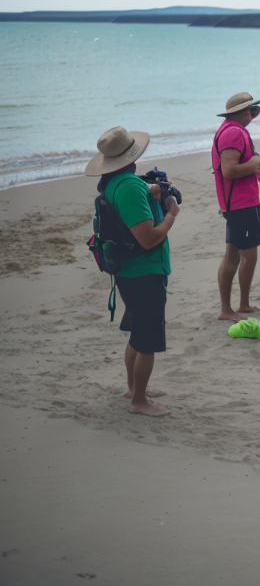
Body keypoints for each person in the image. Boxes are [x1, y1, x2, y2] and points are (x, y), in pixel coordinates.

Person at [86, 127, 178, 417]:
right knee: (147, 339)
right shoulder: (129, 186)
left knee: (137, 334)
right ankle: (139, 401)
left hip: (128, 272)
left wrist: (148, 190)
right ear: (132, 157)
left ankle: (132, 387)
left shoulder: (113, 185)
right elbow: (149, 238)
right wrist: (171, 216)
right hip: (143, 272)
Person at [212, 92, 260, 321]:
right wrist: (253, 165)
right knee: (246, 255)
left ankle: (239, 305)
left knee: (233, 253)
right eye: (250, 109)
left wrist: (253, 166)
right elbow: (229, 170)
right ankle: (231, 307)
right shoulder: (233, 132)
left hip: (241, 202)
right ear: (243, 112)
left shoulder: (233, 130)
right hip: (240, 204)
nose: (252, 113)